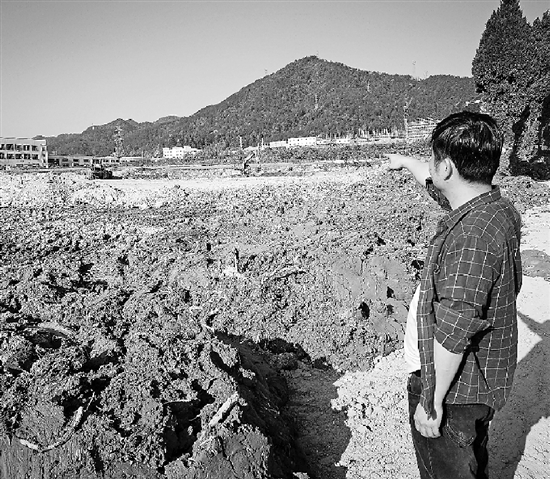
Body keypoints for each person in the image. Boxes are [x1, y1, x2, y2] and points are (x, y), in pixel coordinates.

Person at [386, 111, 523, 479]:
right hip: (477, 384)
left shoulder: (470, 239)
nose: (430, 169)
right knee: (472, 457)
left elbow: (454, 330)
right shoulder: (494, 209)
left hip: (455, 390)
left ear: (446, 167)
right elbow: (436, 183)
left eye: (433, 160)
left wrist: (431, 401)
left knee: (448, 466)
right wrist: (407, 163)